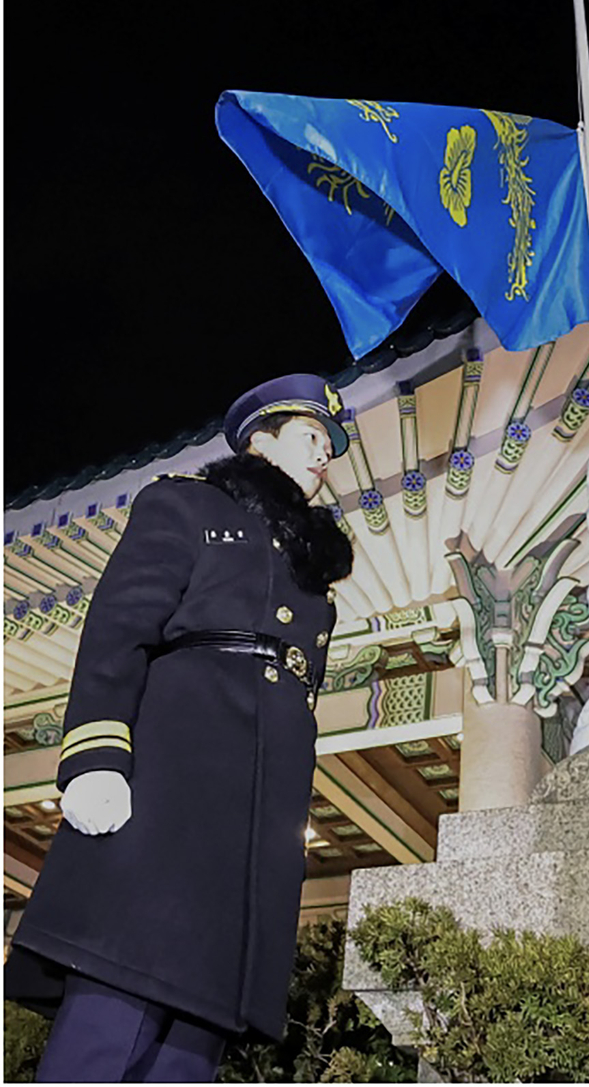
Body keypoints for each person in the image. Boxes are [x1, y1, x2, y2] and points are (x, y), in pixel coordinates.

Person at [6, 374, 354, 1082]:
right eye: (311, 435)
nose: (325, 452)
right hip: (170, 799)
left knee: (191, 1051)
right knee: (114, 1018)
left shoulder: (306, 571)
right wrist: (97, 755)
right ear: (260, 437)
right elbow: (119, 629)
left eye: (330, 443)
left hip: (251, 836)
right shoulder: (189, 506)